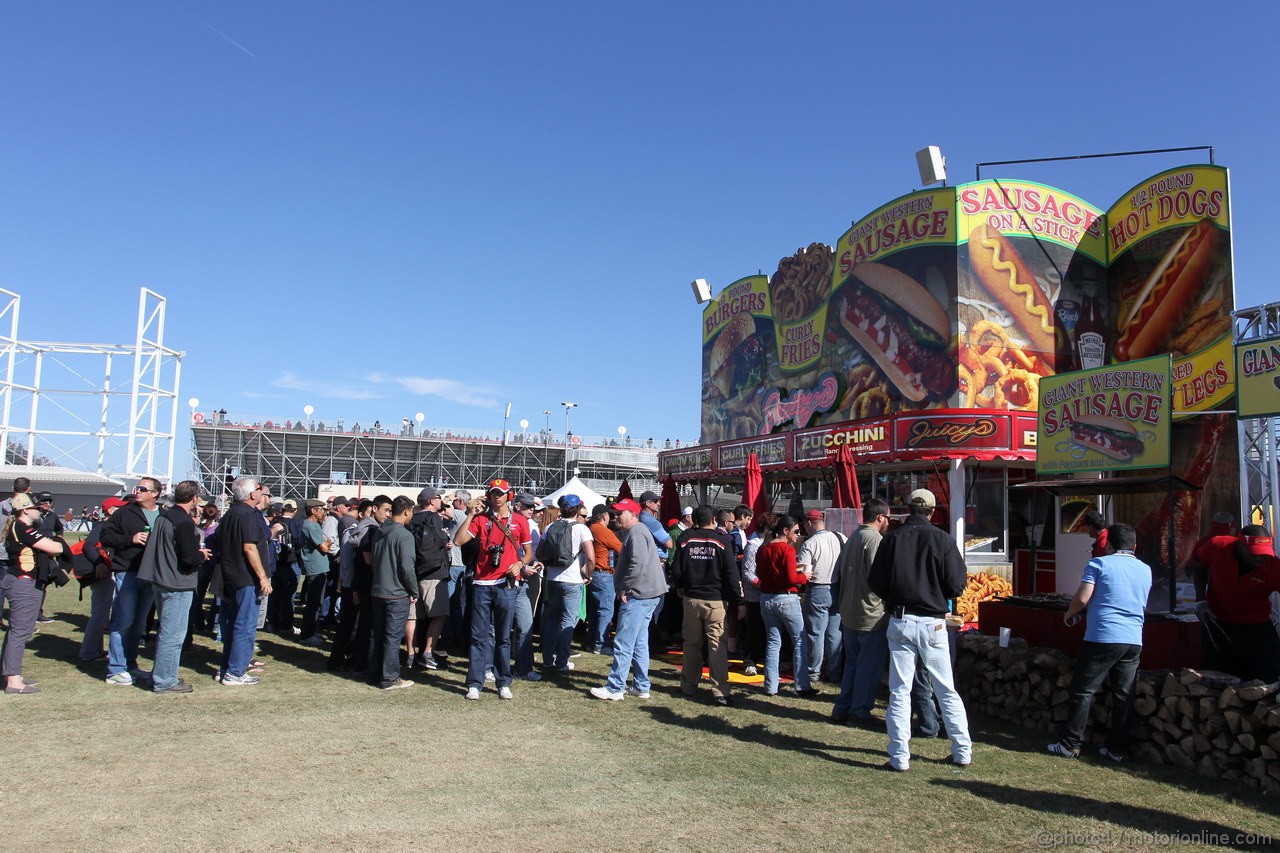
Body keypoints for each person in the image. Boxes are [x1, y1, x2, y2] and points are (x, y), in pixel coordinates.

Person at [868, 488, 972, 772]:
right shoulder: (943, 540)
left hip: (901, 619)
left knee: (900, 691)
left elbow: (875, 581)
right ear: (932, 511)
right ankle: (962, 751)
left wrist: (894, 597)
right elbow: (956, 584)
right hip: (934, 622)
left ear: (909, 509)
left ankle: (899, 757)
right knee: (945, 689)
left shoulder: (892, 539)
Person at [1047, 522, 1152, 762]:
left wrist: (1069, 614)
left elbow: (1082, 597)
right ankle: (1118, 749)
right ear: (1134, 546)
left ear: (1109, 545)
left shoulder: (1098, 564)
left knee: (1083, 690)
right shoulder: (1145, 569)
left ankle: (1070, 743)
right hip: (1134, 638)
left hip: (1102, 636)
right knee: (1124, 694)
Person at [454, 479, 534, 700]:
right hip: (482, 583)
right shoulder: (480, 519)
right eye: (492, 493)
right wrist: (470, 514)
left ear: (509, 495)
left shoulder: (519, 521)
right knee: (479, 635)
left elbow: (528, 552)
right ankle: (474, 682)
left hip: (506, 584)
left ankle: (503, 681)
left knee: (503, 636)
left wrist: (520, 564)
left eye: (500, 493)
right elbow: (458, 540)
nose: (496, 497)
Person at [590, 498, 667, 701]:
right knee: (639, 642)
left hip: (638, 595)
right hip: (646, 593)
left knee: (624, 642)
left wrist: (624, 587)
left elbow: (637, 564)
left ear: (633, 514)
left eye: (620, 512)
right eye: (615, 512)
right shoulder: (637, 531)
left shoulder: (636, 532)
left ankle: (616, 687)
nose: (616, 516)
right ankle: (641, 685)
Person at [136, 480, 208, 694]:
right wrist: (201, 555)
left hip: (160, 579)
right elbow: (188, 558)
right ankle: (165, 680)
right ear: (194, 498)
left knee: (166, 632)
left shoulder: (164, 515)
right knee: (173, 635)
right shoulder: (183, 522)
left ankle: (161, 674)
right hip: (176, 583)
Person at [671, 505, 743, 706]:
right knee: (717, 646)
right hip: (715, 600)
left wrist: (680, 586)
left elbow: (676, 568)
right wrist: (739, 599)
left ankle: (688, 685)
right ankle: (720, 690)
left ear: (694, 519)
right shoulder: (722, 541)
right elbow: (731, 572)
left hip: (691, 598)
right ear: (713, 519)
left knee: (691, 644)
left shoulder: (685, 539)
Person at [1191, 524, 1280, 682]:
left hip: (1256, 628)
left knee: (1265, 679)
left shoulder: (1273, 566)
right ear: (1239, 545)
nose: (1259, 558)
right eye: (1254, 553)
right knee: (1215, 680)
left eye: (1263, 553)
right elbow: (1198, 567)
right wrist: (1201, 600)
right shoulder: (1218, 545)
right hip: (1218, 624)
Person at [99, 477, 164, 686]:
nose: (137, 491)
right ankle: (116, 669)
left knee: (139, 624)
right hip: (127, 572)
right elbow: (106, 536)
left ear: (155, 493)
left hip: (152, 575)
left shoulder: (163, 514)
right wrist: (131, 539)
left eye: (143, 489)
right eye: (137, 488)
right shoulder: (124, 513)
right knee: (123, 621)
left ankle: (130, 663)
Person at [831, 498, 891, 728]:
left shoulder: (854, 537)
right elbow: (878, 577)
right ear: (880, 517)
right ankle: (859, 711)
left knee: (853, 664)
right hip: (870, 613)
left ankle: (843, 708)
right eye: (887, 517)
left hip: (850, 611)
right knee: (868, 666)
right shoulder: (873, 539)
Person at [2, 492, 69, 694]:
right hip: (24, 582)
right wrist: (56, 543)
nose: (40, 511)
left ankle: (9, 675)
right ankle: (13, 681)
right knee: (21, 632)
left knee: (17, 630)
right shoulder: (23, 528)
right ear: (25, 510)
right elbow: (55, 548)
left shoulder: (19, 527)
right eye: (36, 508)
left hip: (19, 579)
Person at [214, 477, 273, 686]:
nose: (262, 492)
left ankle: (228, 668)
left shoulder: (231, 514)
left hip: (231, 576)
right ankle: (236, 671)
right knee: (245, 625)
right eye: (259, 489)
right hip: (245, 577)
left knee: (232, 624)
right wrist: (262, 577)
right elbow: (250, 547)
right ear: (252, 494)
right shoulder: (247, 515)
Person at [754, 515, 816, 697]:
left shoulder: (763, 549)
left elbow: (762, 573)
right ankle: (802, 685)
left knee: (773, 641)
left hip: (766, 598)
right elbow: (790, 578)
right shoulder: (787, 550)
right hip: (786, 598)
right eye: (796, 531)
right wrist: (804, 577)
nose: (798, 534)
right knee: (799, 640)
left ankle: (770, 685)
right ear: (785, 531)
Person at [367, 496, 417, 691]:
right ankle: (389, 677)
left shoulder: (379, 532)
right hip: (396, 593)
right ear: (406, 511)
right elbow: (407, 567)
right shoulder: (404, 536)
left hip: (378, 589)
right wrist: (413, 590)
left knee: (378, 634)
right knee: (392, 637)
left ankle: (374, 673)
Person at [539, 494, 593, 672]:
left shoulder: (550, 526)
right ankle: (562, 661)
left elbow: (540, 552)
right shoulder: (582, 529)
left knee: (552, 619)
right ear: (577, 510)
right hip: (573, 580)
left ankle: (547, 659)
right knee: (568, 621)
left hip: (552, 579)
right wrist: (588, 574)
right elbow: (591, 557)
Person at [76, 496, 128, 662]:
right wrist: (99, 563)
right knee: (99, 613)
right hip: (102, 574)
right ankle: (89, 652)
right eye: (120, 507)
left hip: (105, 572)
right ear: (111, 510)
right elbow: (89, 545)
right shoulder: (103, 525)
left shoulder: (109, 525)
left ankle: (95, 650)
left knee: (101, 613)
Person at [799, 509, 846, 683]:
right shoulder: (841, 538)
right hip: (838, 588)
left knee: (815, 633)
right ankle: (834, 672)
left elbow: (804, 572)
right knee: (835, 633)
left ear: (809, 523)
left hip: (818, 588)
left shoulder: (810, 543)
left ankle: (814, 671)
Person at [408, 487, 452, 671]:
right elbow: (443, 540)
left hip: (414, 571)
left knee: (413, 617)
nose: (440, 500)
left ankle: (410, 653)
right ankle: (427, 652)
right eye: (438, 497)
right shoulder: (433, 518)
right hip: (434, 572)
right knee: (439, 613)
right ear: (432, 500)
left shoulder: (412, 518)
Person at [586, 504, 623, 654]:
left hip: (592, 573)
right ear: (604, 516)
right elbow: (622, 548)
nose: (611, 518)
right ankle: (601, 644)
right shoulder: (603, 531)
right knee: (606, 610)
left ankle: (591, 642)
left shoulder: (590, 528)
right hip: (603, 573)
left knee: (594, 611)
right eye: (609, 515)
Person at [297, 500, 332, 646]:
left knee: (317, 602)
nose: (323, 512)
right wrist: (328, 543)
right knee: (313, 603)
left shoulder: (315, 525)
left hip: (321, 568)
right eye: (320, 509)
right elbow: (325, 546)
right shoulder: (309, 526)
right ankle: (307, 634)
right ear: (313, 510)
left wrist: (327, 542)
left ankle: (311, 631)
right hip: (315, 569)